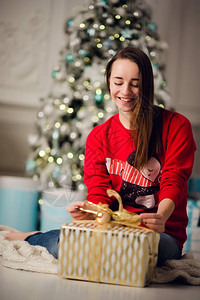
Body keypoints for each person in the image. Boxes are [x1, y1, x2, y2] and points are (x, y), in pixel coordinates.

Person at [5, 47, 196, 266]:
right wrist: (92, 213)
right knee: (67, 246)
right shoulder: (98, 136)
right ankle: (35, 237)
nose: (126, 91)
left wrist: (161, 216)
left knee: (134, 254)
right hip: (111, 230)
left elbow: (175, 179)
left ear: (147, 85)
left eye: (135, 83)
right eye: (118, 82)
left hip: (162, 235)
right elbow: (99, 191)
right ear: (108, 83)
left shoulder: (176, 126)